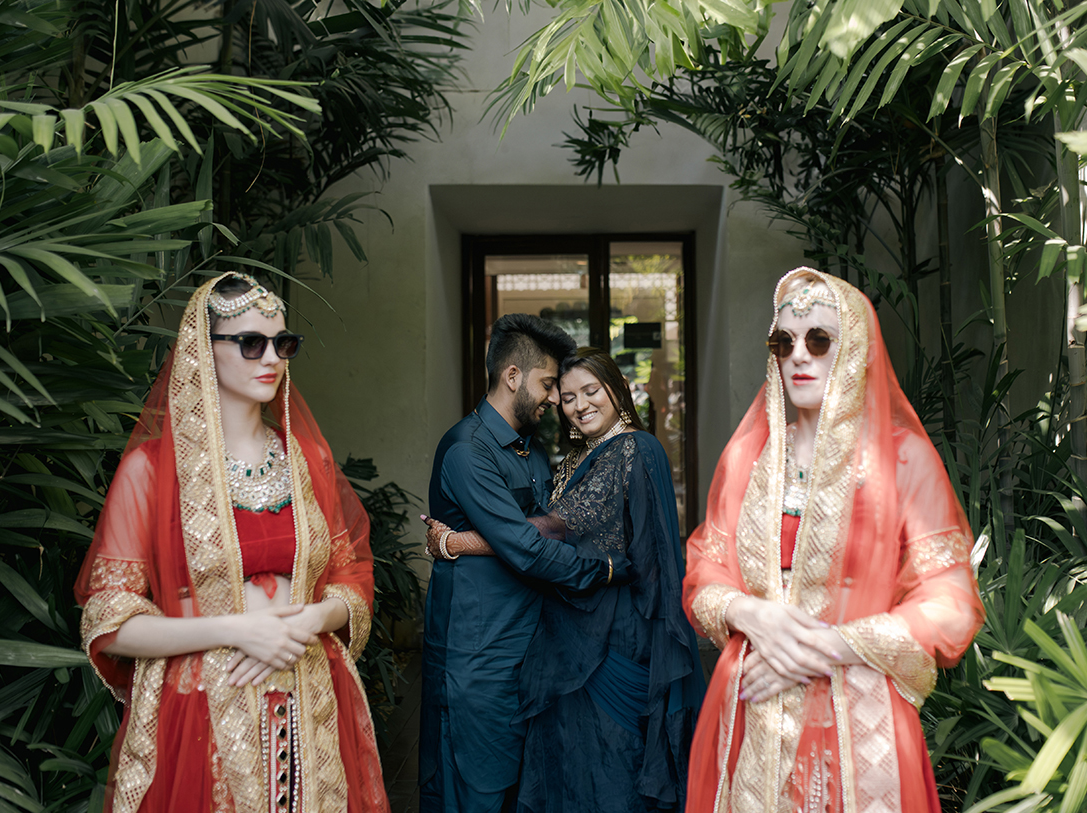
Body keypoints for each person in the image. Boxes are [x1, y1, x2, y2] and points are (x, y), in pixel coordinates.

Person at [75, 273, 387, 813]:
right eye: (250, 343)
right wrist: (234, 630)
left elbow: (350, 575)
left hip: (310, 694)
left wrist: (316, 618)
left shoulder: (307, 462)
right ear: (203, 347)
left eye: (282, 344)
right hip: (202, 713)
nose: (271, 357)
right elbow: (111, 620)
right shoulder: (150, 473)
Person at [682, 268, 984, 813]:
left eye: (819, 341)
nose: (799, 355)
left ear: (854, 350)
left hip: (857, 714)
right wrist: (752, 615)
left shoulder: (903, 462)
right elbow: (706, 570)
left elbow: (951, 603)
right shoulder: (747, 459)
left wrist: (819, 648)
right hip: (753, 706)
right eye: (784, 342)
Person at [426, 347, 706, 813]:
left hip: (614, 636)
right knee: (576, 769)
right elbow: (537, 533)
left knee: (610, 766)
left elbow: (551, 528)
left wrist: (459, 542)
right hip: (575, 627)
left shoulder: (635, 447)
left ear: (618, 389)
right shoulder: (578, 454)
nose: (579, 405)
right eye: (568, 396)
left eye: (591, 391)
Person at [419, 316, 628, 813]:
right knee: (477, 788)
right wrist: (603, 570)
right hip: (478, 654)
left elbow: (551, 527)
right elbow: (525, 546)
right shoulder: (468, 450)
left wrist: (461, 542)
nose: (557, 399)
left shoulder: (532, 452)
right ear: (513, 377)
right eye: (549, 385)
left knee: (522, 787)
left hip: (529, 647)